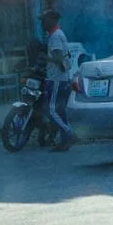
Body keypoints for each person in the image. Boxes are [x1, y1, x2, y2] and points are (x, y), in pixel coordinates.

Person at [40, 9, 77, 151]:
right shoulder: (57, 34)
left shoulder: (55, 37)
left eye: (44, 20)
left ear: (52, 20)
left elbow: (58, 58)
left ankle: (70, 134)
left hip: (56, 79)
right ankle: (64, 141)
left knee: (51, 111)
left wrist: (45, 58)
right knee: (60, 111)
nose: (42, 24)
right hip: (61, 78)